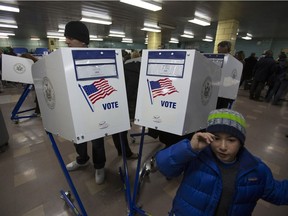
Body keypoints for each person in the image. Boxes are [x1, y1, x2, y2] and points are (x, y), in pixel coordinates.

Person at [155, 108, 288, 216]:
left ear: (241, 142)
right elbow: (164, 166)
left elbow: (278, 193)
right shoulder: (196, 157)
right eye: (216, 138)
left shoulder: (256, 170)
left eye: (231, 140)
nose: (223, 147)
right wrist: (189, 148)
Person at [64, 21, 137, 185]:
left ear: (82, 40)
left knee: (97, 141)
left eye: (70, 37)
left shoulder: (96, 58)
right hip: (75, 107)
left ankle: (99, 166)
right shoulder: (65, 59)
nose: (67, 41)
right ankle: (82, 160)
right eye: (66, 38)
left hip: (94, 107)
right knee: (78, 139)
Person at [216, 41, 235, 109]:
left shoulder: (232, 60)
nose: (218, 50)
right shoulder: (217, 57)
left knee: (222, 105)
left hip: (226, 88)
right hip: (217, 85)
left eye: (220, 48)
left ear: (227, 48)